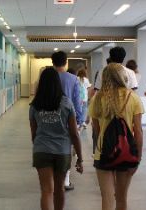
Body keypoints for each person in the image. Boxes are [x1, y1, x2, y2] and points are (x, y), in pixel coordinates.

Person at [88, 63, 144, 210]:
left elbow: (97, 130)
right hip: (126, 153)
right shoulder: (133, 98)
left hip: (103, 152)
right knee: (121, 198)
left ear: (104, 78)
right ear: (123, 76)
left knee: (107, 199)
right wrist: (137, 157)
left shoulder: (97, 98)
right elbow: (138, 131)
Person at [29, 67, 83, 210]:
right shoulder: (66, 103)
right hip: (62, 151)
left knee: (46, 191)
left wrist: (39, 146)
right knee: (59, 189)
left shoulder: (35, 105)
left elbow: (33, 134)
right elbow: (74, 133)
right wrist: (80, 157)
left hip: (41, 150)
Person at [51, 51, 82, 190]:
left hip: (50, 118)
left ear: (53, 63)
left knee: (52, 147)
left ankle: (53, 177)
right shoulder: (73, 79)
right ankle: (65, 180)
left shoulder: (48, 78)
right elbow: (77, 101)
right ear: (66, 62)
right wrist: (79, 119)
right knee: (67, 149)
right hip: (68, 118)